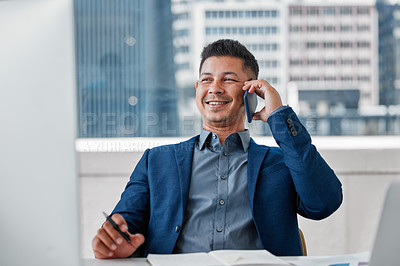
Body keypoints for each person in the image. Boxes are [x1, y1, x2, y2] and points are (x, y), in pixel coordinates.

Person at [92, 39, 343, 259]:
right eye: (206, 80)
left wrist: (279, 116)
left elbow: (324, 203)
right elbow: (126, 223)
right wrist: (115, 242)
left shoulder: (282, 163)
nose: (214, 88)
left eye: (228, 79)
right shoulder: (157, 161)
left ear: (252, 92)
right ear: (198, 90)